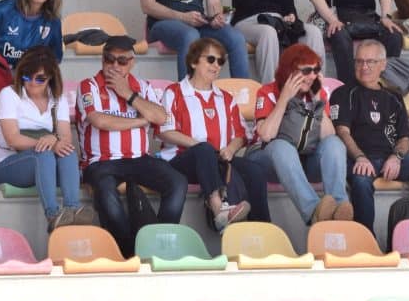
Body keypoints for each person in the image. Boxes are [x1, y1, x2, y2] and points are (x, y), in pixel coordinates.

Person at [79, 35, 186, 256]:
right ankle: (128, 253)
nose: (114, 66)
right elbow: (100, 121)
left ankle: (159, 245)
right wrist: (139, 121)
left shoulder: (142, 87)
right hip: (101, 162)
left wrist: (127, 93)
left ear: (132, 62)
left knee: (177, 182)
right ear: (102, 59)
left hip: (139, 159)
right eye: (109, 59)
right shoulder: (89, 86)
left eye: (122, 61)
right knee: (106, 194)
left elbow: (160, 117)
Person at [159, 38, 262, 231]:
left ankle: (262, 229)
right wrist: (200, 146)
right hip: (180, 162)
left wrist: (231, 148)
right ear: (193, 62)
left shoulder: (226, 98)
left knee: (254, 171)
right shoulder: (174, 92)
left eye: (221, 61)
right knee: (204, 150)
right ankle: (218, 209)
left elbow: (241, 134)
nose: (216, 66)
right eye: (211, 59)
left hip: (217, 160)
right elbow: (165, 131)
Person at [0, 46, 92, 231]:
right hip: (6, 165)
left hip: (45, 167)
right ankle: (53, 215)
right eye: (27, 77)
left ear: (51, 77)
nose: (32, 83)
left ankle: (72, 209)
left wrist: (54, 140)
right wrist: (48, 143)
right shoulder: (9, 94)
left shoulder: (57, 99)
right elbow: (13, 139)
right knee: (44, 155)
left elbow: (65, 138)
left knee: (68, 153)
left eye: (40, 79)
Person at [252, 43, 351, 224]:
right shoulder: (268, 91)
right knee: (281, 146)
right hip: (268, 160)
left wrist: (317, 100)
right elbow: (266, 135)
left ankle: (338, 209)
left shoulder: (315, 93)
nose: (312, 76)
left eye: (316, 70)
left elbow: (329, 136)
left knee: (335, 143)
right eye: (306, 71)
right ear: (289, 71)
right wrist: (284, 98)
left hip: (305, 159)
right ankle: (314, 211)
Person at [331, 38, 409, 236]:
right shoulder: (343, 93)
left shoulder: (394, 96)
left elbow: (405, 137)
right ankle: (366, 239)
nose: (364, 67)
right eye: (359, 61)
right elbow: (342, 132)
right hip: (358, 159)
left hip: (390, 158)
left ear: (383, 65)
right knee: (361, 182)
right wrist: (360, 157)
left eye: (370, 61)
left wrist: (396, 157)